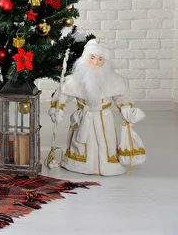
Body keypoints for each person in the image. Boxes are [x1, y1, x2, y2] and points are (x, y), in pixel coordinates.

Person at [49, 39, 145, 176]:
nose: (95, 62)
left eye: (100, 59)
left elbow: (122, 97)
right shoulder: (75, 79)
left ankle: (107, 164)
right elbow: (63, 93)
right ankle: (79, 164)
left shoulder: (114, 79)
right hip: (84, 117)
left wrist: (128, 111)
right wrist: (57, 109)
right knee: (82, 143)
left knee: (106, 140)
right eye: (92, 58)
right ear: (85, 57)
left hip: (104, 117)